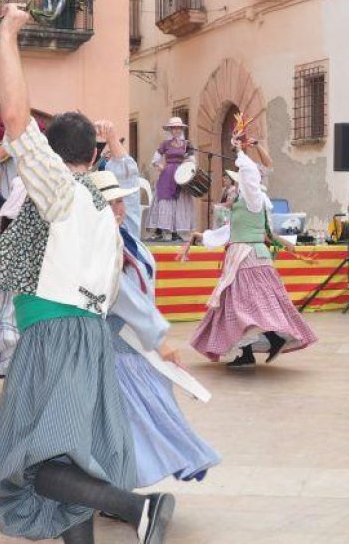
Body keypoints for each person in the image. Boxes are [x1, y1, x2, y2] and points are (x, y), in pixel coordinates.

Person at [0, 4, 173, 544]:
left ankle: (138, 509)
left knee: (29, 461)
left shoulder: (61, 194)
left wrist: (7, 33)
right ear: (93, 153)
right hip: (85, 335)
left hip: (55, 332)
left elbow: (14, 118)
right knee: (65, 456)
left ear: (54, 157)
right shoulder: (103, 205)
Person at [93, 170, 221, 487]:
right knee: (132, 420)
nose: (120, 208)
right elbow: (121, 295)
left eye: (120, 201)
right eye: (110, 203)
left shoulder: (126, 238)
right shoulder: (101, 245)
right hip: (117, 346)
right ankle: (117, 487)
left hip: (138, 346)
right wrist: (160, 340)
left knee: (147, 413)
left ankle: (121, 483)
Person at [187, 135, 317, 368]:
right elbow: (230, 231)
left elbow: (250, 175)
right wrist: (203, 237)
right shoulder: (245, 205)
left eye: (237, 182)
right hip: (244, 258)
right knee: (239, 307)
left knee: (244, 307)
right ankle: (247, 352)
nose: (235, 185)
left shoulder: (254, 199)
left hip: (249, 260)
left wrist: (240, 151)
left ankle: (273, 338)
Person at [145, 118, 195, 242]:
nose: (176, 130)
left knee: (180, 201)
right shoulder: (165, 144)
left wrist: (187, 161)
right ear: (170, 130)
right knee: (165, 200)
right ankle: (165, 231)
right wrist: (159, 166)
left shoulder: (187, 144)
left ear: (181, 129)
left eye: (178, 128)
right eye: (174, 128)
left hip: (181, 175)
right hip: (167, 175)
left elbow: (192, 159)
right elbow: (155, 159)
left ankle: (177, 232)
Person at [96, 120, 144, 241]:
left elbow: (127, 176)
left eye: (119, 201)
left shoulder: (128, 234)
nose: (116, 209)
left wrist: (112, 138)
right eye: (108, 204)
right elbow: (126, 175)